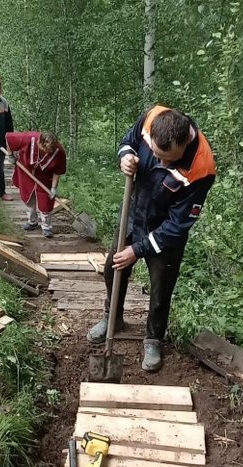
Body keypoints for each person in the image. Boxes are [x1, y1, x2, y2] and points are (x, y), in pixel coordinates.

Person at [87, 105, 216, 372]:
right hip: (135, 211)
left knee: (161, 287)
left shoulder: (201, 167)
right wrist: (126, 156)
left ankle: (153, 338)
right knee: (114, 268)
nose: (161, 162)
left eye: (168, 158)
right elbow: (127, 142)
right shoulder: (151, 119)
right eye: (155, 155)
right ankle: (113, 318)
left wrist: (139, 249)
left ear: (183, 143)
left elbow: (177, 225)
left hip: (165, 231)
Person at [5, 131, 67, 238]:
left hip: (45, 177)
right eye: (46, 149)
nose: (48, 152)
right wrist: (10, 155)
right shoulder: (28, 138)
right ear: (39, 143)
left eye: (50, 150)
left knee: (46, 200)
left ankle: (46, 227)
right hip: (26, 171)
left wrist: (53, 188)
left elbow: (57, 172)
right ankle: (32, 221)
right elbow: (8, 139)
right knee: (28, 196)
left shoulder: (59, 152)